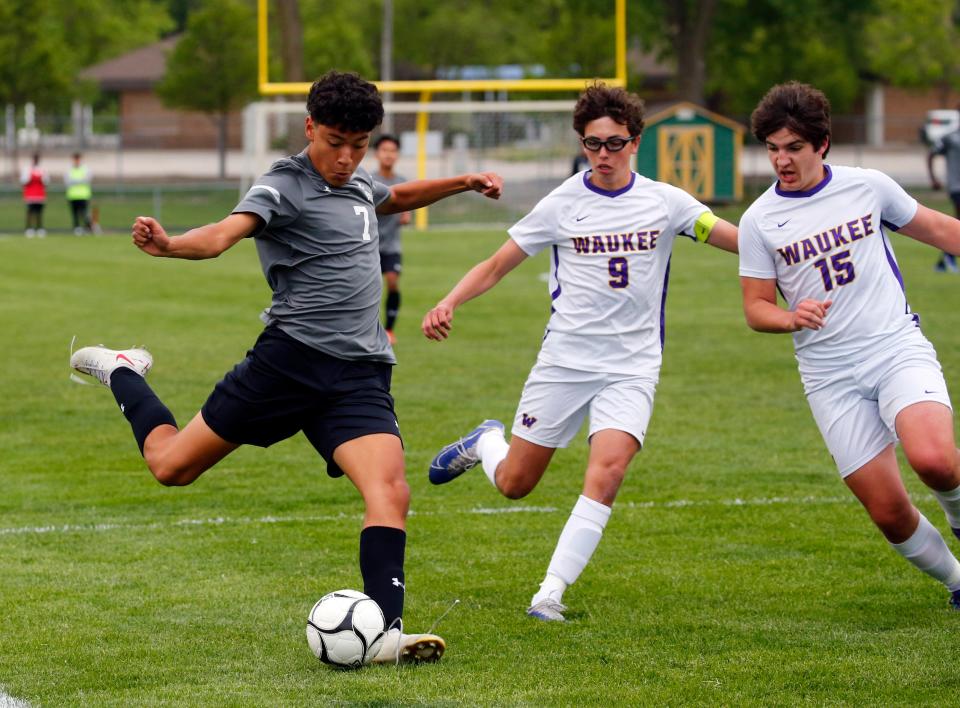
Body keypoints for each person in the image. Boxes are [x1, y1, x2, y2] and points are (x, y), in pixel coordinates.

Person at [69, 70, 503, 663]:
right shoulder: (283, 184)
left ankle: (384, 632)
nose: (347, 158)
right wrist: (171, 245)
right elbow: (224, 234)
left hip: (359, 373)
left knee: (389, 490)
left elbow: (395, 197)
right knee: (170, 466)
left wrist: (464, 182)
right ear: (309, 129)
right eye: (334, 143)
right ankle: (122, 370)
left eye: (359, 145)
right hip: (289, 364)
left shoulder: (357, 185)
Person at [422, 81, 738, 622]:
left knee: (609, 470)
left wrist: (790, 253)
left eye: (614, 143)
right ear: (582, 143)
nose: (603, 155)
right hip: (565, 362)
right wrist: (449, 301)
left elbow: (732, 236)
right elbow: (497, 264)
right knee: (516, 484)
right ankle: (488, 440)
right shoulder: (563, 202)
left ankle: (549, 593)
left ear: (635, 141)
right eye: (593, 144)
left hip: (633, 366)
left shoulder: (667, 202)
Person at [739, 82, 960, 610]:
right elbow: (755, 308)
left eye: (793, 147)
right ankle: (957, 581)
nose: (782, 160)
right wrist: (790, 317)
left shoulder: (868, 187)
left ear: (822, 144)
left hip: (894, 347)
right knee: (888, 512)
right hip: (829, 376)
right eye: (772, 148)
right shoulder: (758, 221)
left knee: (935, 461)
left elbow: (940, 231)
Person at [371, 134, 411, 345]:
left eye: (393, 150)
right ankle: (368, 328)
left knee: (393, 282)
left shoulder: (401, 182)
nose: (389, 154)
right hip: (369, 245)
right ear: (377, 154)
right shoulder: (368, 181)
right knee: (368, 287)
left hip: (391, 245)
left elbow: (407, 210)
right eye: (385, 150)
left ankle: (389, 329)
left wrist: (406, 215)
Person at [926, 118, 960, 273]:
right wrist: (933, 178)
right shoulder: (950, 137)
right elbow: (931, 154)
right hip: (956, 187)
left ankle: (944, 260)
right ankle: (948, 256)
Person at [21, 153, 48, 238]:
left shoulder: (42, 170)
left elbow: (46, 182)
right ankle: (29, 228)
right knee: (30, 212)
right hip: (30, 195)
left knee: (39, 212)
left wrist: (41, 180)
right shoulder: (27, 169)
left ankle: (39, 227)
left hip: (40, 195)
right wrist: (30, 179)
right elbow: (23, 181)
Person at [65, 152, 93, 236]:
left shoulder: (85, 169)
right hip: (73, 195)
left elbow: (87, 179)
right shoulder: (70, 169)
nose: (76, 161)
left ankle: (87, 228)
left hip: (83, 195)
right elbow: (67, 181)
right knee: (75, 213)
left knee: (84, 213)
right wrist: (79, 181)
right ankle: (77, 228)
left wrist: (76, 181)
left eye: (77, 159)